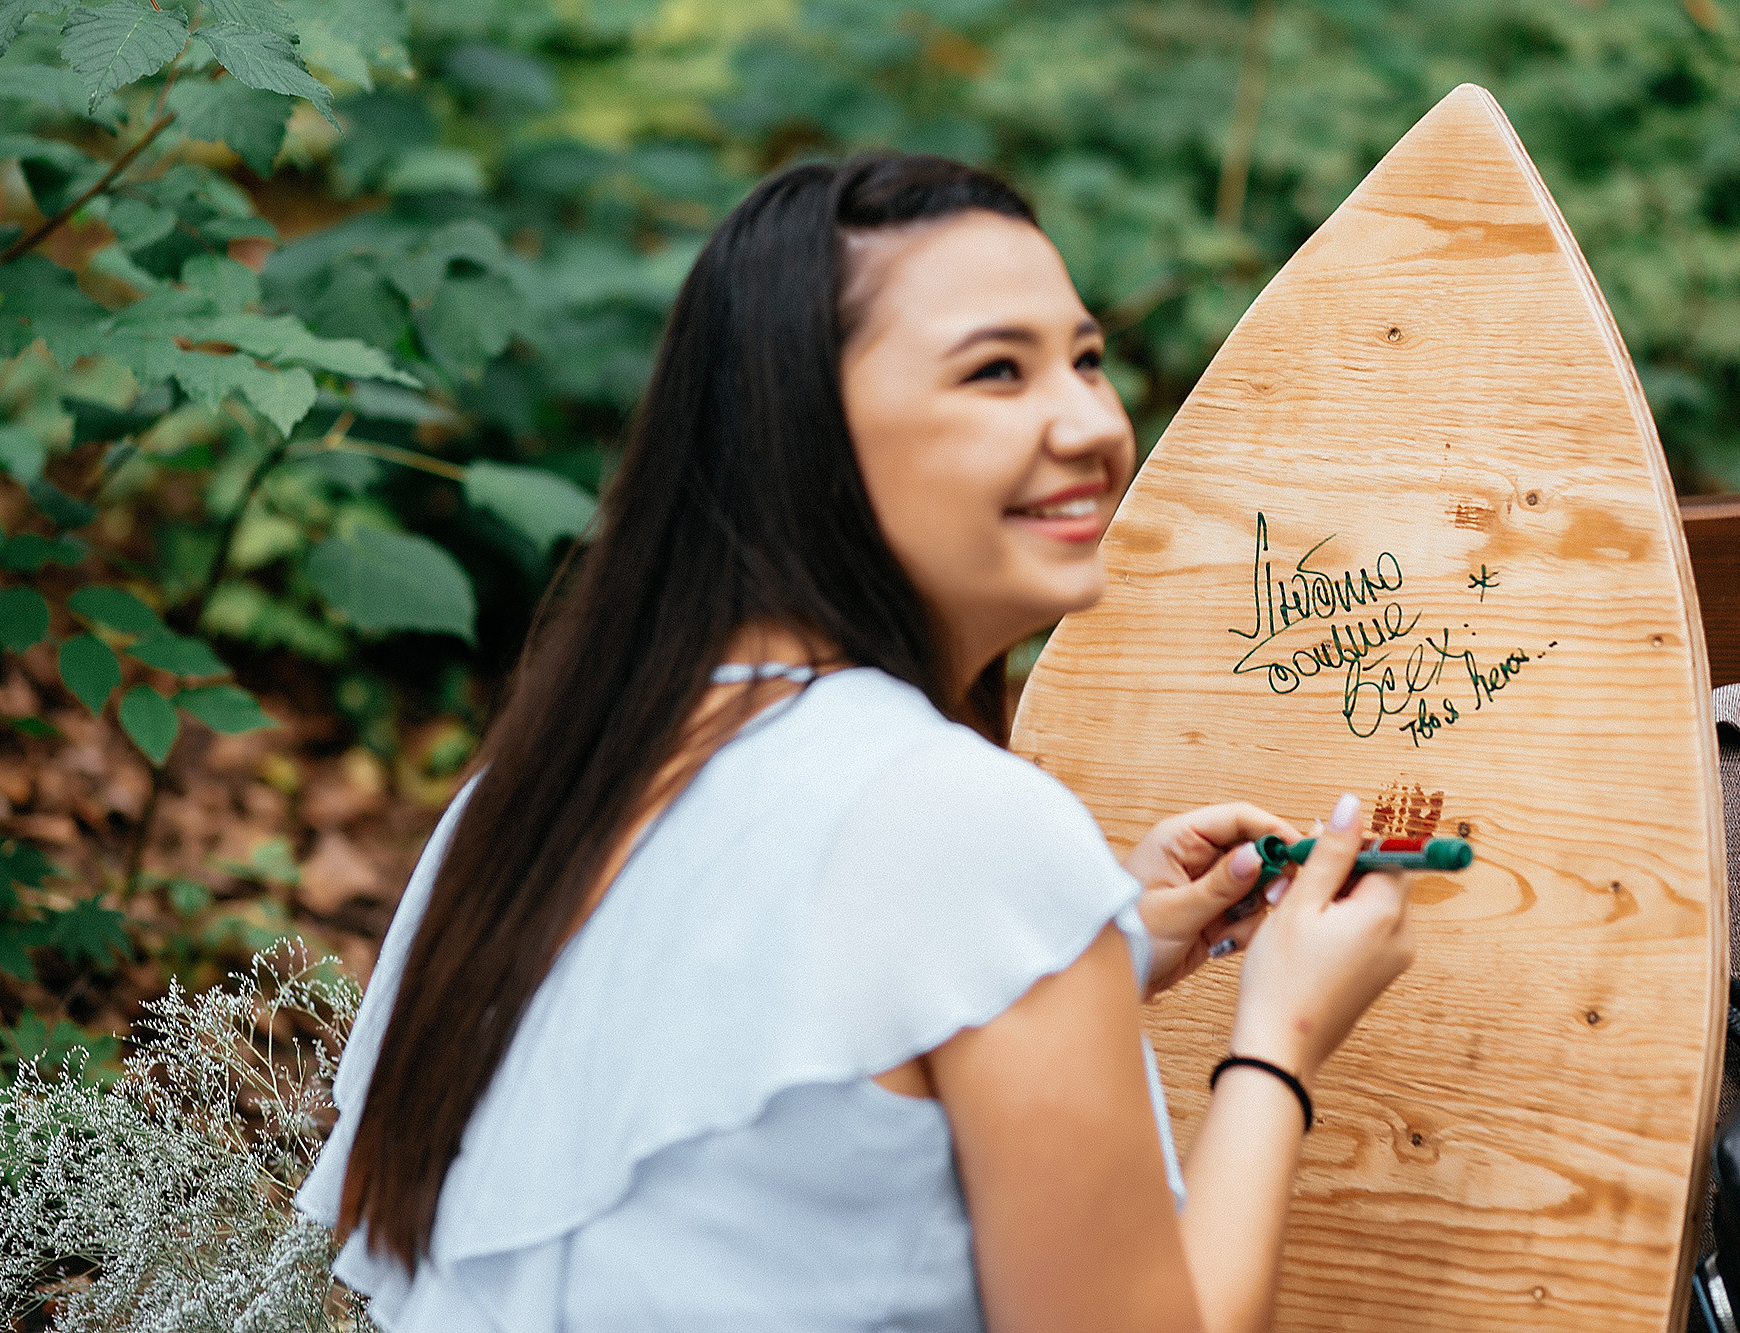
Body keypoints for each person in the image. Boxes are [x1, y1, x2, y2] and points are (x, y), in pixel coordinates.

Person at [294, 153, 1416, 1333]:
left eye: (1083, 360)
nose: (1090, 421)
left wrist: (1089, 958)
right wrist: (1279, 1042)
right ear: (804, 431)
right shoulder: (953, 822)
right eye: (995, 371)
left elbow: (731, 1131)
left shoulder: (540, 785)